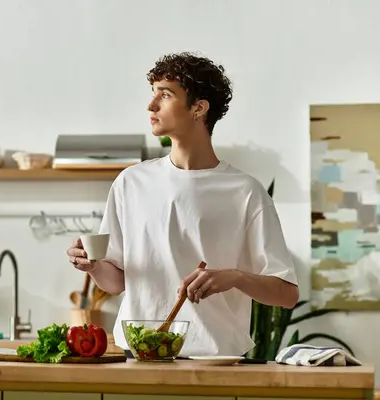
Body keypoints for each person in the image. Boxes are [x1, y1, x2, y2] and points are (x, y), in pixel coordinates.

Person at [66, 52, 299, 358]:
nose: (151, 106)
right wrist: (93, 266)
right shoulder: (131, 183)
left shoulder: (246, 192)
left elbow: (287, 294)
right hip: (138, 357)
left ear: (199, 108)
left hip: (215, 361)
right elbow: (118, 283)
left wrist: (235, 277)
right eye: (153, 94)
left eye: (165, 95)